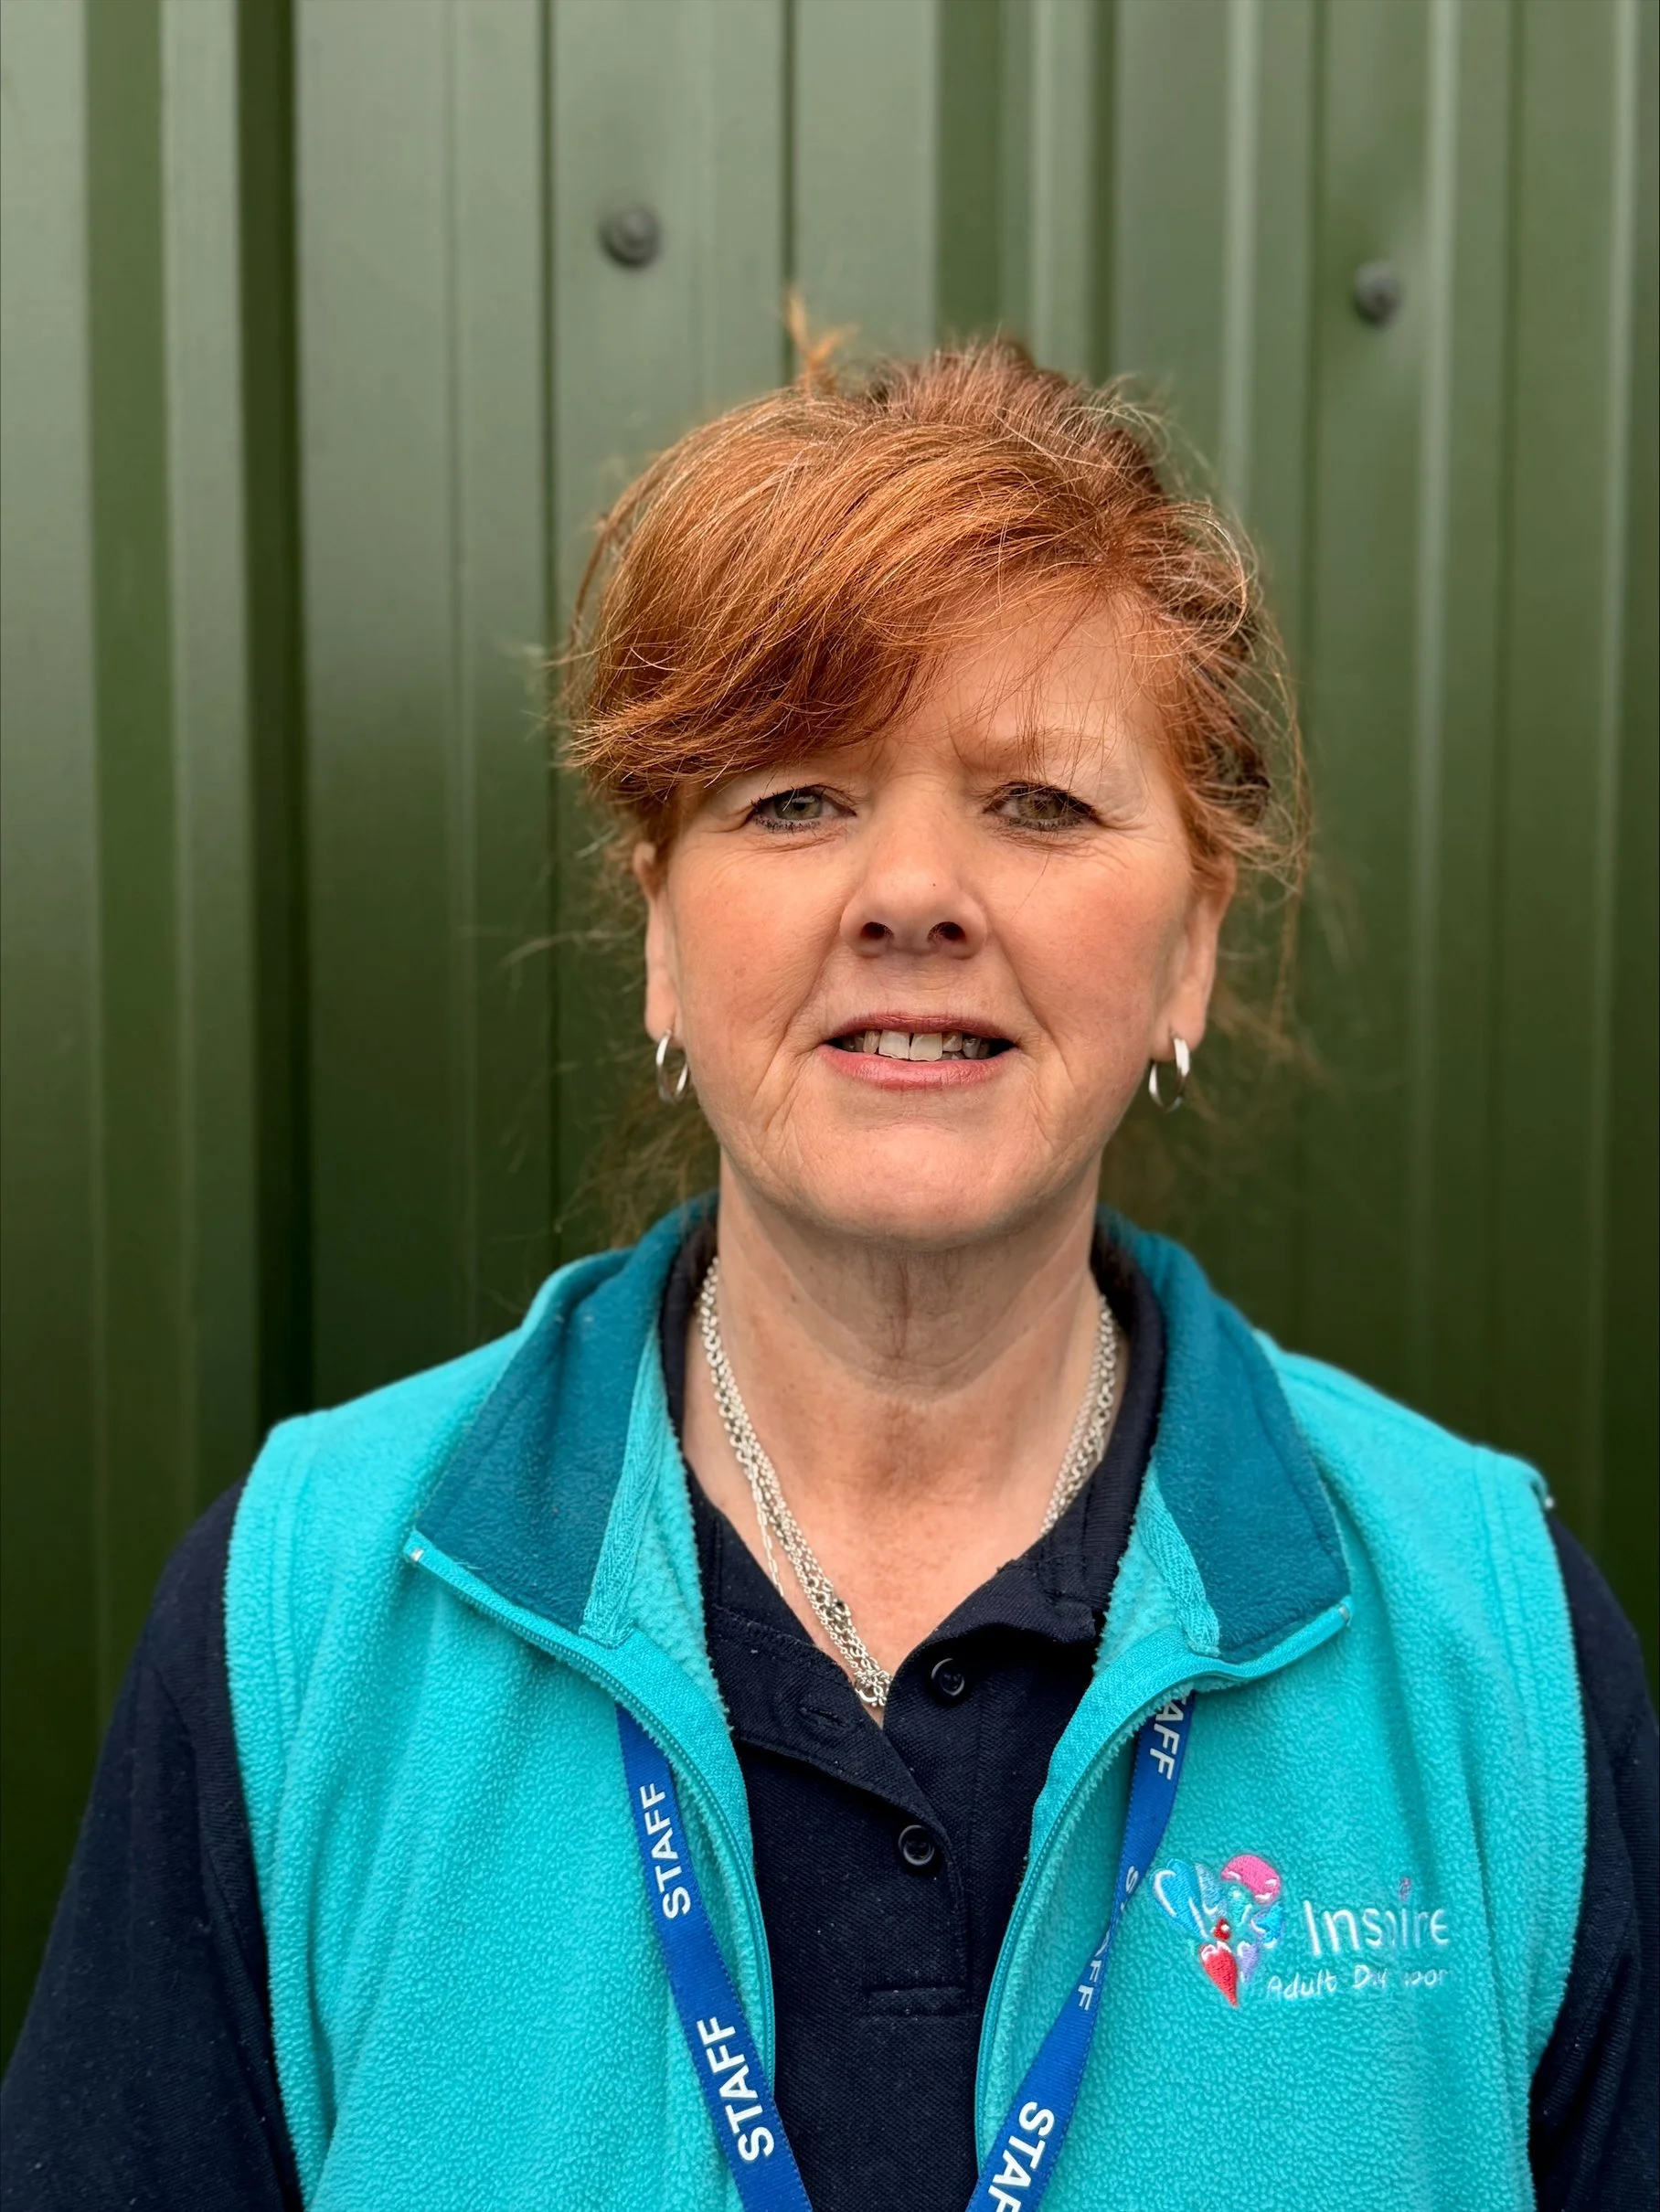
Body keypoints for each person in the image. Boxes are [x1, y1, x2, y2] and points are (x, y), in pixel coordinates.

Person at [2, 343, 1654, 2212]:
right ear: (657, 931)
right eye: (794, 799)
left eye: (1038, 802)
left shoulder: (1487, 1642)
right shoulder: (307, 1618)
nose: (910, 892)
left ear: (1191, 944)